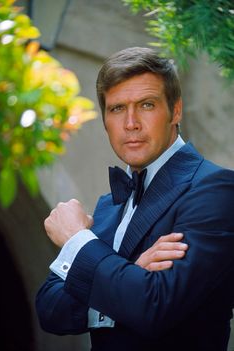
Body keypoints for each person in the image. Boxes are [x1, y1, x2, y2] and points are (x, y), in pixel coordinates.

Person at [36, 47, 234, 351]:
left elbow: (155, 306)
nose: (131, 123)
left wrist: (76, 239)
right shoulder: (107, 205)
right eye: (117, 109)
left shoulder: (215, 189)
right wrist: (130, 272)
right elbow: (49, 309)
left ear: (176, 110)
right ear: (104, 119)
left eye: (146, 105)